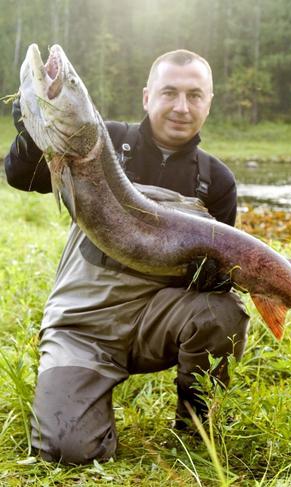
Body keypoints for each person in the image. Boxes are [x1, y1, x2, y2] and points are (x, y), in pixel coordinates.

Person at [5, 49, 249, 464]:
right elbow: (20, 176)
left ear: (209, 102)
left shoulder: (216, 180)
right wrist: (33, 136)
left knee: (221, 311)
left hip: (155, 320)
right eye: (169, 92)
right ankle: (83, 406)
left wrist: (214, 277)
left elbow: (228, 268)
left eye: (195, 95)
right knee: (66, 451)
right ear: (146, 96)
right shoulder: (97, 141)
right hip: (83, 325)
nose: (181, 106)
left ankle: (196, 427)